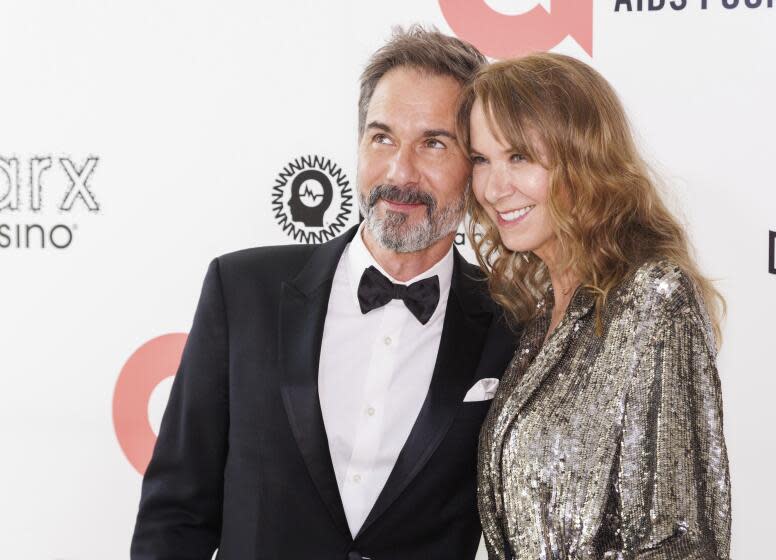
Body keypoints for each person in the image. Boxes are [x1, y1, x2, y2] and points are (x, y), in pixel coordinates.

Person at [130, 27, 517, 560]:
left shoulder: (513, 324)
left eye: (433, 143)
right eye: (382, 138)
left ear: (474, 167)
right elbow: (176, 514)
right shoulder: (242, 292)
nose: (399, 172)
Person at [456, 53, 731, 559]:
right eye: (481, 159)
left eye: (519, 157)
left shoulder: (653, 299)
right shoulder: (539, 314)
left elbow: (681, 542)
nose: (495, 189)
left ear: (583, 158)